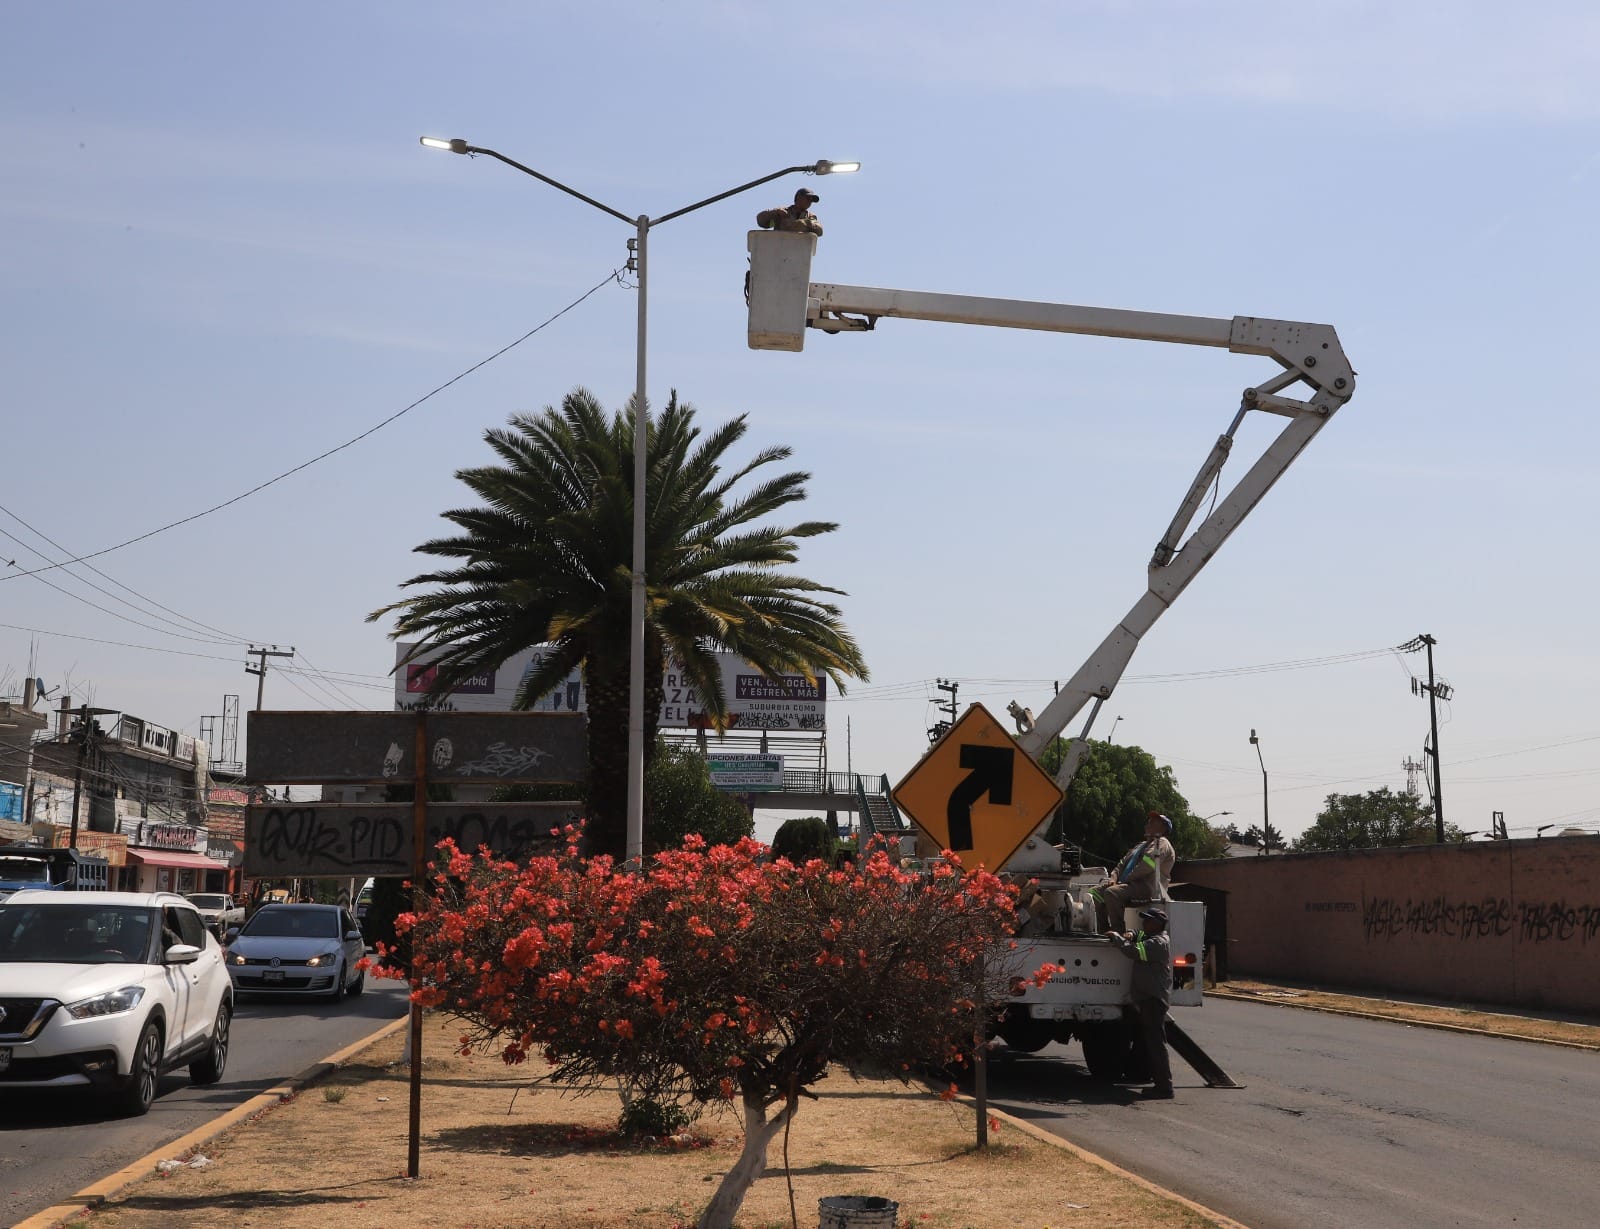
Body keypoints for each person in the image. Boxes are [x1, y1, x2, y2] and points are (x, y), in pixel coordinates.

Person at [1107, 906, 1174, 1098]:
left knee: (1155, 1044)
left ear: (1158, 924)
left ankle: (1164, 1087)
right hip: (1149, 998)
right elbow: (1139, 934)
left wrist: (1117, 938)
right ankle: (1161, 1084)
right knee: (1152, 1042)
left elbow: (1134, 952)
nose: (1144, 923)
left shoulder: (1157, 943)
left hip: (1153, 1000)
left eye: (1148, 920)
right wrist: (1130, 933)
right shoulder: (1151, 937)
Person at [1090, 811, 1176, 934]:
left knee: (1112, 893)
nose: (1148, 824)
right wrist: (1113, 878)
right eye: (1148, 821)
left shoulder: (1161, 843)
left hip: (1148, 887)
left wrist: (1122, 882)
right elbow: (1121, 864)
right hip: (1130, 884)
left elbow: (1148, 865)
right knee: (1095, 893)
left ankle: (1118, 932)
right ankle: (1103, 930)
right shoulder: (1140, 846)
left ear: (1163, 828)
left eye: (1153, 822)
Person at [755, 187, 823, 236]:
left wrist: (805, 223)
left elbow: (819, 231)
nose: (810, 201)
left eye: (811, 200)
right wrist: (776, 212)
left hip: (800, 251)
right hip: (780, 248)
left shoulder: (810, 217)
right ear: (798, 198)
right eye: (808, 198)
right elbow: (761, 221)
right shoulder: (782, 213)